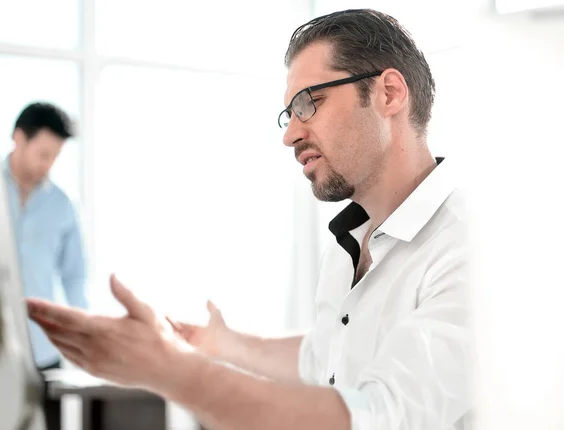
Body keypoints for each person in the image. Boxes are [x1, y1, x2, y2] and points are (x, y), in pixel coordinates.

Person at [26, 9, 473, 430]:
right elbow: (324, 356)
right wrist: (224, 346)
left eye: (308, 103)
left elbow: (377, 415)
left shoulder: (471, 245)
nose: (290, 133)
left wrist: (171, 371)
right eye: (289, 113)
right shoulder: (347, 244)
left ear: (389, 93)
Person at [5, 102, 88, 429]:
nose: (48, 164)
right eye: (42, 153)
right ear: (18, 139)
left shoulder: (63, 205)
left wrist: (86, 334)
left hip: (42, 349)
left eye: (55, 156)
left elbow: (75, 276)